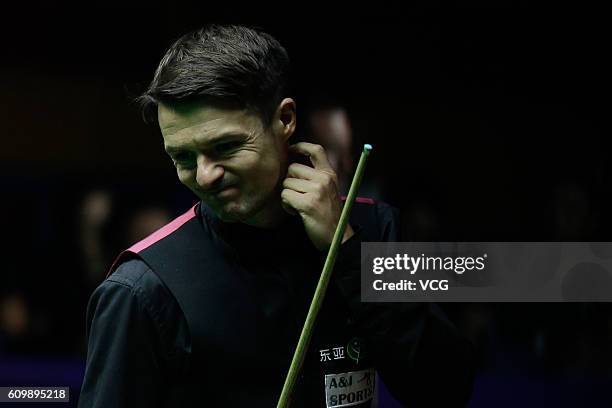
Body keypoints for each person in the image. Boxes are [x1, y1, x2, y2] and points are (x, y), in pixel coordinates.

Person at [78, 24, 475, 407]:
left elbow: (446, 388)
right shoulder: (141, 290)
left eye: (226, 146)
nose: (204, 175)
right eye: (182, 157)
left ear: (285, 119)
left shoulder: (375, 227)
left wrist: (348, 255)